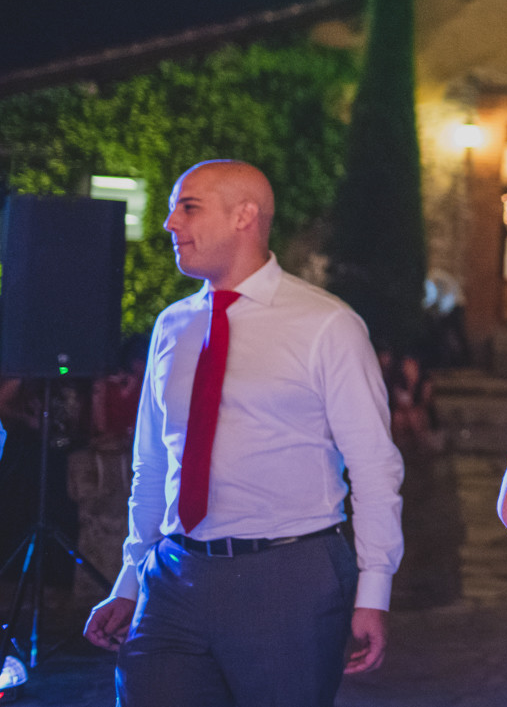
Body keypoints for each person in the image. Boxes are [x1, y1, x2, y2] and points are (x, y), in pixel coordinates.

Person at [82, 160, 405, 707]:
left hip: (288, 578)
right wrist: (130, 579)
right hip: (173, 575)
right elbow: (154, 467)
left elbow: (374, 464)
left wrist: (375, 590)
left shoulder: (327, 325)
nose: (169, 225)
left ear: (244, 216)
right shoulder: (173, 326)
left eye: (188, 207)